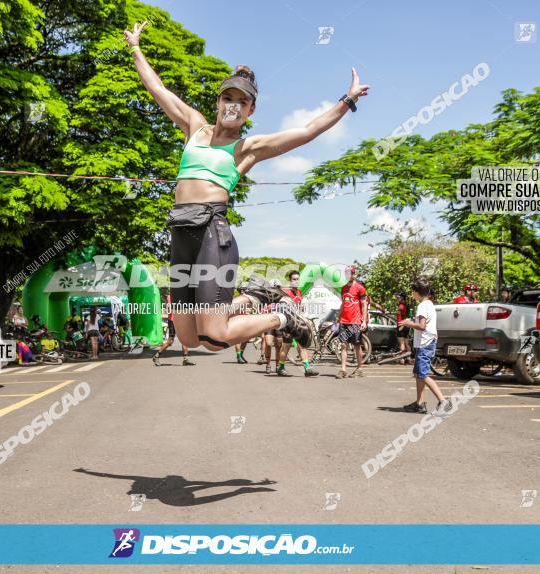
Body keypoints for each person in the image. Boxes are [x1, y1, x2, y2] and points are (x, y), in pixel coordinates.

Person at [123, 20, 369, 354]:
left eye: (242, 101)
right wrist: (135, 48)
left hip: (212, 232)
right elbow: (158, 90)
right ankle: (257, 295)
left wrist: (348, 100)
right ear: (218, 101)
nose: (233, 104)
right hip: (181, 233)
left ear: (250, 109)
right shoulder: (194, 127)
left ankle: (279, 317)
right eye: (228, 97)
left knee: (216, 337)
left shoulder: (246, 149)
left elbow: (308, 130)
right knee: (190, 338)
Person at [399, 278, 452, 415]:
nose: (412, 294)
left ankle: (443, 401)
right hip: (427, 342)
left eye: (413, 292)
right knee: (418, 374)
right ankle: (419, 403)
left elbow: (421, 326)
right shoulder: (429, 304)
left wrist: (408, 323)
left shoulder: (422, 306)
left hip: (424, 344)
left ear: (417, 293)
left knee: (422, 374)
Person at [276, 271, 318, 377]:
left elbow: (297, 307)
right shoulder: (285, 292)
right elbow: (280, 307)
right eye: (294, 279)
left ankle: (307, 368)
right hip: (288, 324)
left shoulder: (299, 292)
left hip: (297, 323)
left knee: (302, 345)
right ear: (290, 281)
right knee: (286, 346)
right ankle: (280, 368)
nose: (296, 281)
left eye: (297, 279)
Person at [336, 266, 368, 379]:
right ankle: (343, 370)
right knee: (343, 345)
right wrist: (338, 317)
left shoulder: (360, 288)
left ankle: (360, 368)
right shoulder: (343, 288)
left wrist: (364, 321)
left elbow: (364, 305)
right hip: (344, 321)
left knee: (357, 345)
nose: (349, 275)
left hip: (355, 321)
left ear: (355, 275)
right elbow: (343, 304)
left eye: (351, 273)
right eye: (347, 273)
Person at [153, 294, 195, 366]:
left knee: (184, 340)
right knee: (170, 341)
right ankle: (156, 356)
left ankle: (185, 359)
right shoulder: (171, 296)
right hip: (173, 321)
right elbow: (169, 310)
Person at [394, 291, 412, 364]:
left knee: (401, 343)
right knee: (406, 342)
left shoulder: (401, 306)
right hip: (406, 325)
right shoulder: (407, 305)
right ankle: (409, 358)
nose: (397, 299)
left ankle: (402, 359)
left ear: (402, 298)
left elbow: (400, 314)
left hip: (401, 325)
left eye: (398, 297)